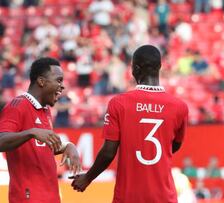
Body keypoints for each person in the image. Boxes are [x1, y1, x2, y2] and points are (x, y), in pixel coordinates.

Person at [71, 45, 189, 203]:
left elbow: (108, 152)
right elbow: (174, 146)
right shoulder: (179, 106)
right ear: (159, 67)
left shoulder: (119, 103)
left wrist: (87, 178)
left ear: (135, 69)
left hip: (129, 196)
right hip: (164, 196)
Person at [0, 57, 82, 203]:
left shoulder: (45, 110)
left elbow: (41, 146)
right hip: (28, 197)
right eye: (58, 80)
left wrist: (68, 146)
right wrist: (31, 132)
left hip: (50, 197)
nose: (62, 86)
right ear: (42, 81)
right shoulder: (17, 105)